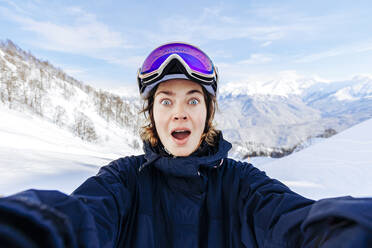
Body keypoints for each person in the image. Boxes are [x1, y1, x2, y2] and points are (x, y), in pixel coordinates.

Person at [1, 42, 372, 248]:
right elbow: (74, 217)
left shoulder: (241, 184)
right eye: (166, 101)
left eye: (193, 100)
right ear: (152, 114)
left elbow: (296, 220)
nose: (179, 113)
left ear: (208, 113)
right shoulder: (124, 181)